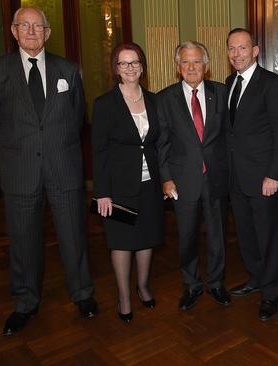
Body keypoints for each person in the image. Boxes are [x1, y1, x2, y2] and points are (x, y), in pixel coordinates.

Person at [0, 6, 97, 336]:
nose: (31, 31)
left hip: (63, 168)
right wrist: (18, 148)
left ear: (47, 33)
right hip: (21, 171)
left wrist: (54, 146)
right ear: (15, 32)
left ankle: (82, 294)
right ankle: (25, 301)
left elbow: (77, 118)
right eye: (24, 26)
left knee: (74, 235)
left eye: (38, 26)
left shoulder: (68, 69)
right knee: (22, 240)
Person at [92, 42, 163, 323]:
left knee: (146, 238)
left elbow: (160, 144)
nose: (130, 68)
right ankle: (124, 297)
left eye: (135, 62)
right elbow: (98, 152)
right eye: (124, 63)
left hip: (150, 185)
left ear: (142, 66)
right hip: (118, 187)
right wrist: (102, 193)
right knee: (121, 242)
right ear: (116, 69)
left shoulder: (155, 100)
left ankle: (143, 286)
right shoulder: (104, 104)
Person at [157, 41, 231, 310]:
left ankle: (216, 283)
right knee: (186, 236)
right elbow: (162, 143)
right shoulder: (165, 98)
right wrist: (166, 178)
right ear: (178, 67)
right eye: (185, 62)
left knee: (217, 235)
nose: (191, 67)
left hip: (216, 178)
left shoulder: (221, 93)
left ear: (206, 65)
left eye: (196, 61)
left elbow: (228, 138)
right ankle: (191, 285)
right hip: (182, 181)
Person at [225, 28, 278, 321]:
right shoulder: (229, 83)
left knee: (267, 237)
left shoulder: (272, 84)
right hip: (236, 178)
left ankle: (272, 292)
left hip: (263, 178)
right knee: (246, 235)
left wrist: (273, 175)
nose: (237, 53)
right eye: (231, 48)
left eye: (242, 48)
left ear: (255, 51)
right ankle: (255, 278)